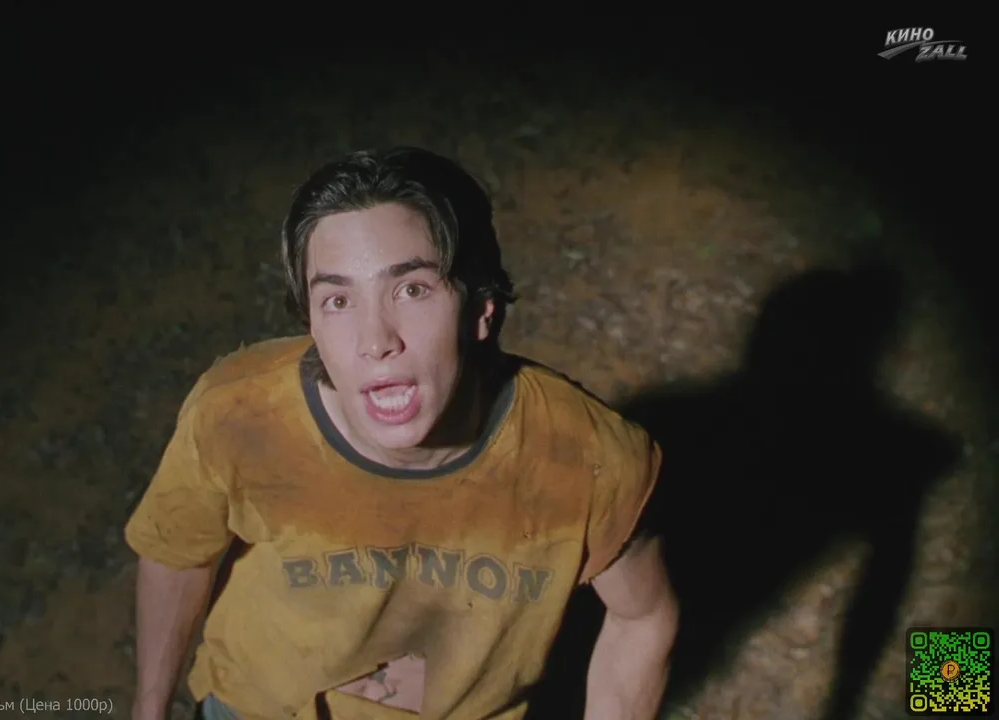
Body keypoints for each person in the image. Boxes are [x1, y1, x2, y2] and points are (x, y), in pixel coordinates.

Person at [125, 147, 678, 720]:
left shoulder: (587, 458)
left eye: (411, 289)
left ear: (481, 309)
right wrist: (149, 706)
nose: (375, 340)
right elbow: (178, 554)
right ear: (310, 321)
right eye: (338, 300)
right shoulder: (239, 415)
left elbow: (642, 617)